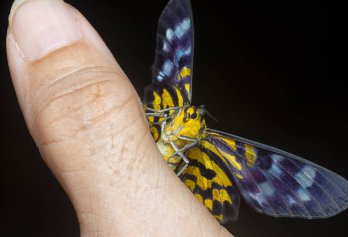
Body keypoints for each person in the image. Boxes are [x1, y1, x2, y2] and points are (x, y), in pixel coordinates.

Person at [6, 0, 232, 236]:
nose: (190, 115)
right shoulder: (176, 113)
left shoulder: (199, 138)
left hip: (175, 166)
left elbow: (187, 161)